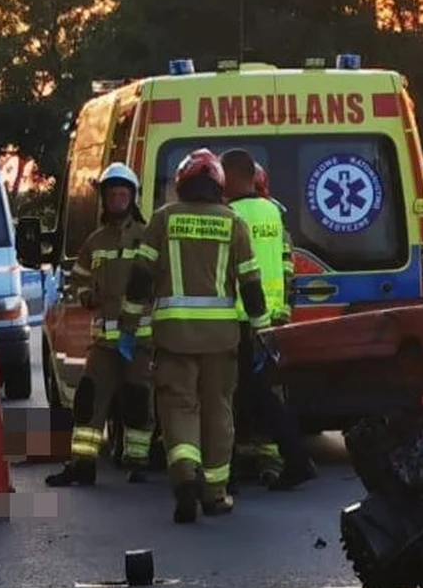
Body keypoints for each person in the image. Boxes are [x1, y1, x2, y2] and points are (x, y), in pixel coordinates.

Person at [119, 148, 273, 523]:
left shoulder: (162, 219)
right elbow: (251, 285)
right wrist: (262, 332)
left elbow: (141, 278)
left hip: (174, 337)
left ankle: (186, 475)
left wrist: (128, 327)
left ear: (182, 184)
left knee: (178, 407)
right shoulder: (232, 222)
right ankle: (215, 493)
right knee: (218, 410)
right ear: (217, 184)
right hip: (221, 339)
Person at [45, 162, 154, 487]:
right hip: (105, 342)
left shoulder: (147, 238)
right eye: (113, 195)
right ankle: (83, 463)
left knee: (137, 401)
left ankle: (138, 462)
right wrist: (85, 294)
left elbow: (162, 282)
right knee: (88, 400)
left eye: (123, 194)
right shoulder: (95, 241)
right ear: (105, 199)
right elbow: (78, 279)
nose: (118, 200)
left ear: (132, 198)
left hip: (139, 341)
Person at [222, 150, 316, 493]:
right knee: (262, 395)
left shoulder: (229, 215)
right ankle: (290, 460)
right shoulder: (273, 213)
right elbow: (285, 264)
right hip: (271, 321)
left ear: (232, 176)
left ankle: (231, 472)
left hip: (238, 320)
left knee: (230, 397)